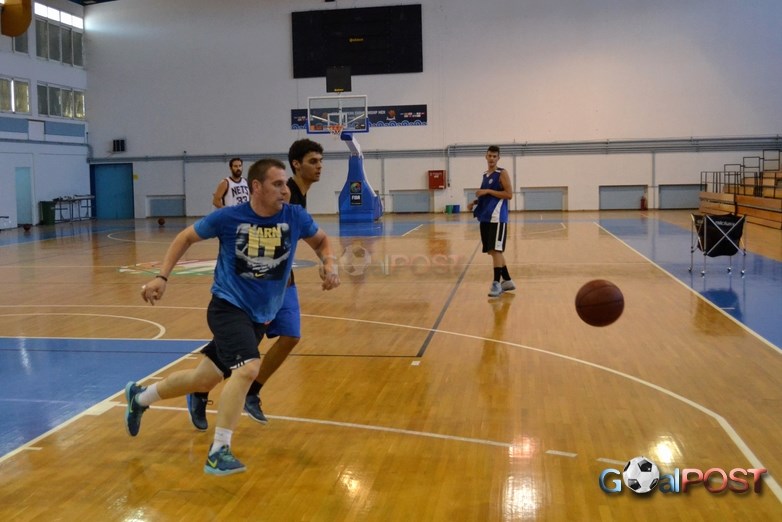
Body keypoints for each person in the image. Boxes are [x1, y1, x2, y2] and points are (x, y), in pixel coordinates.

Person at [124, 158, 340, 476]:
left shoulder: (294, 216)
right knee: (249, 368)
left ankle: (140, 398)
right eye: (277, 184)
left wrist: (329, 263)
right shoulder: (228, 217)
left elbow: (321, 241)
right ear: (257, 187)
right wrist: (162, 277)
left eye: (285, 184)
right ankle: (219, 451)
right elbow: (185, 237)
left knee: (203, 379)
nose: (285, 190)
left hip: (260, 317)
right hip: (228, 307)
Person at [186, 139, 325, 429]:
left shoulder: (296, 198)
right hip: (260, 284)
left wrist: (328, 260)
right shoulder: (285, 194)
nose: (320, 166)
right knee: (245, 346)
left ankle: (249, 391)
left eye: (320, 161)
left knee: (286, 336)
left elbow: (309, 240)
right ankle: (204, 392)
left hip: (279, 283)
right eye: (313, 161)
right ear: (296, 165)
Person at [467, 145, 516, 297]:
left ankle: (496, 283)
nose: (492, 159)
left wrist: (487, 191)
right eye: (490, 156)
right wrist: (475, 202)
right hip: (486, 217)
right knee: (493, 251)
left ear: (498, 158)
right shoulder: (485, 175)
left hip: (497, 217)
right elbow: (487, 197)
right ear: (486, 156)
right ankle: (507, 280)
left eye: (495, 156)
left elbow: (509, 195)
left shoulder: (502, 173)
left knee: (496, 250)